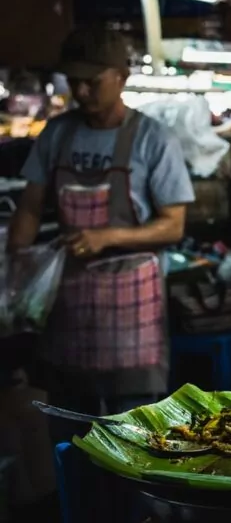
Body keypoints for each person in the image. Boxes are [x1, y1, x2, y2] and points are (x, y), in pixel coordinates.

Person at [7, 26, 195, 424]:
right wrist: (16, 275)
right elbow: (29, 208)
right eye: (74, 82)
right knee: (71, 425)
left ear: (121, 77)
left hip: (132, 310)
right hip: (69, 303)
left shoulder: (153, 138)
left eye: (92, 82)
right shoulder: (57, 134)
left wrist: (107, 236)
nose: (82, 92)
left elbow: (173, 226)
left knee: (136, 429)